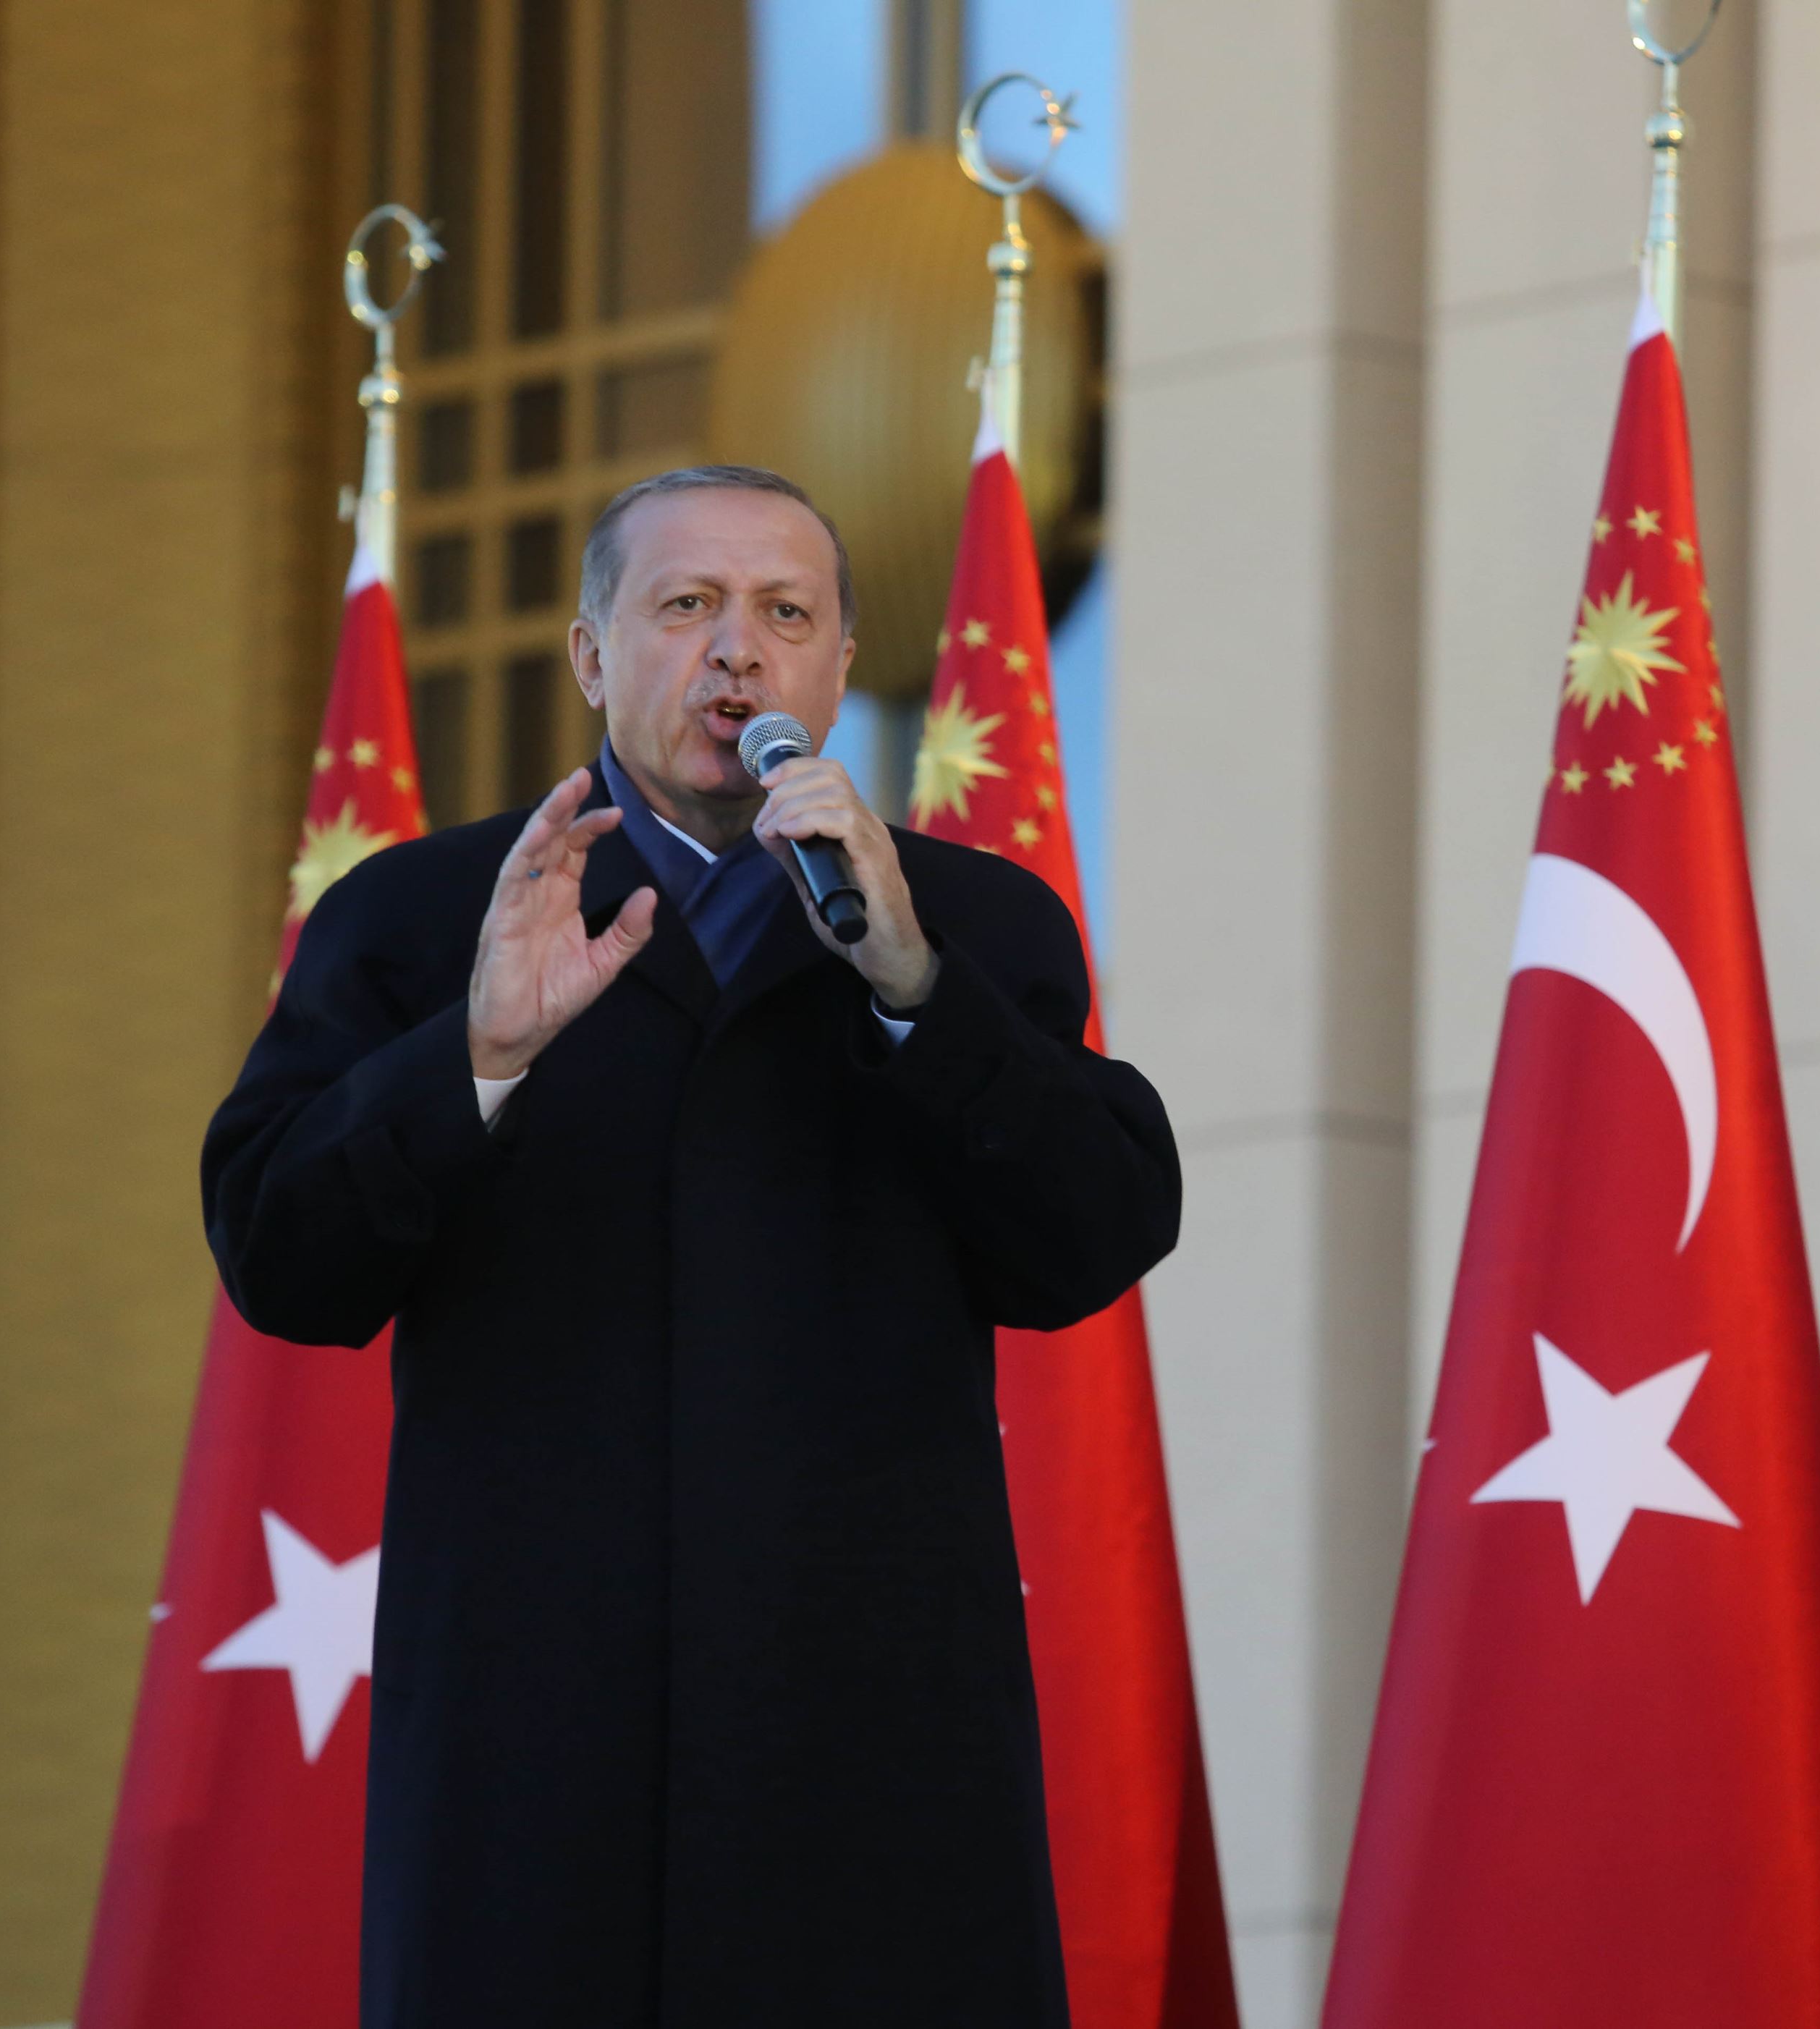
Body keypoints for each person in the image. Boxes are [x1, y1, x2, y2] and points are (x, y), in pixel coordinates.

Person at [203, 465, 1179, 2026]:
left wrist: (915, 989)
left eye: (785, 614)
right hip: (537, 1755)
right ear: (593, 656)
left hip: (871, 1760)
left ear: (839, 669)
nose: (739, 653)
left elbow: (1098, 1235)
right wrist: (477, 1053)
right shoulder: (426, 918)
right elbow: (280, 1257)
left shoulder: (968, 926)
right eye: (686, 607)